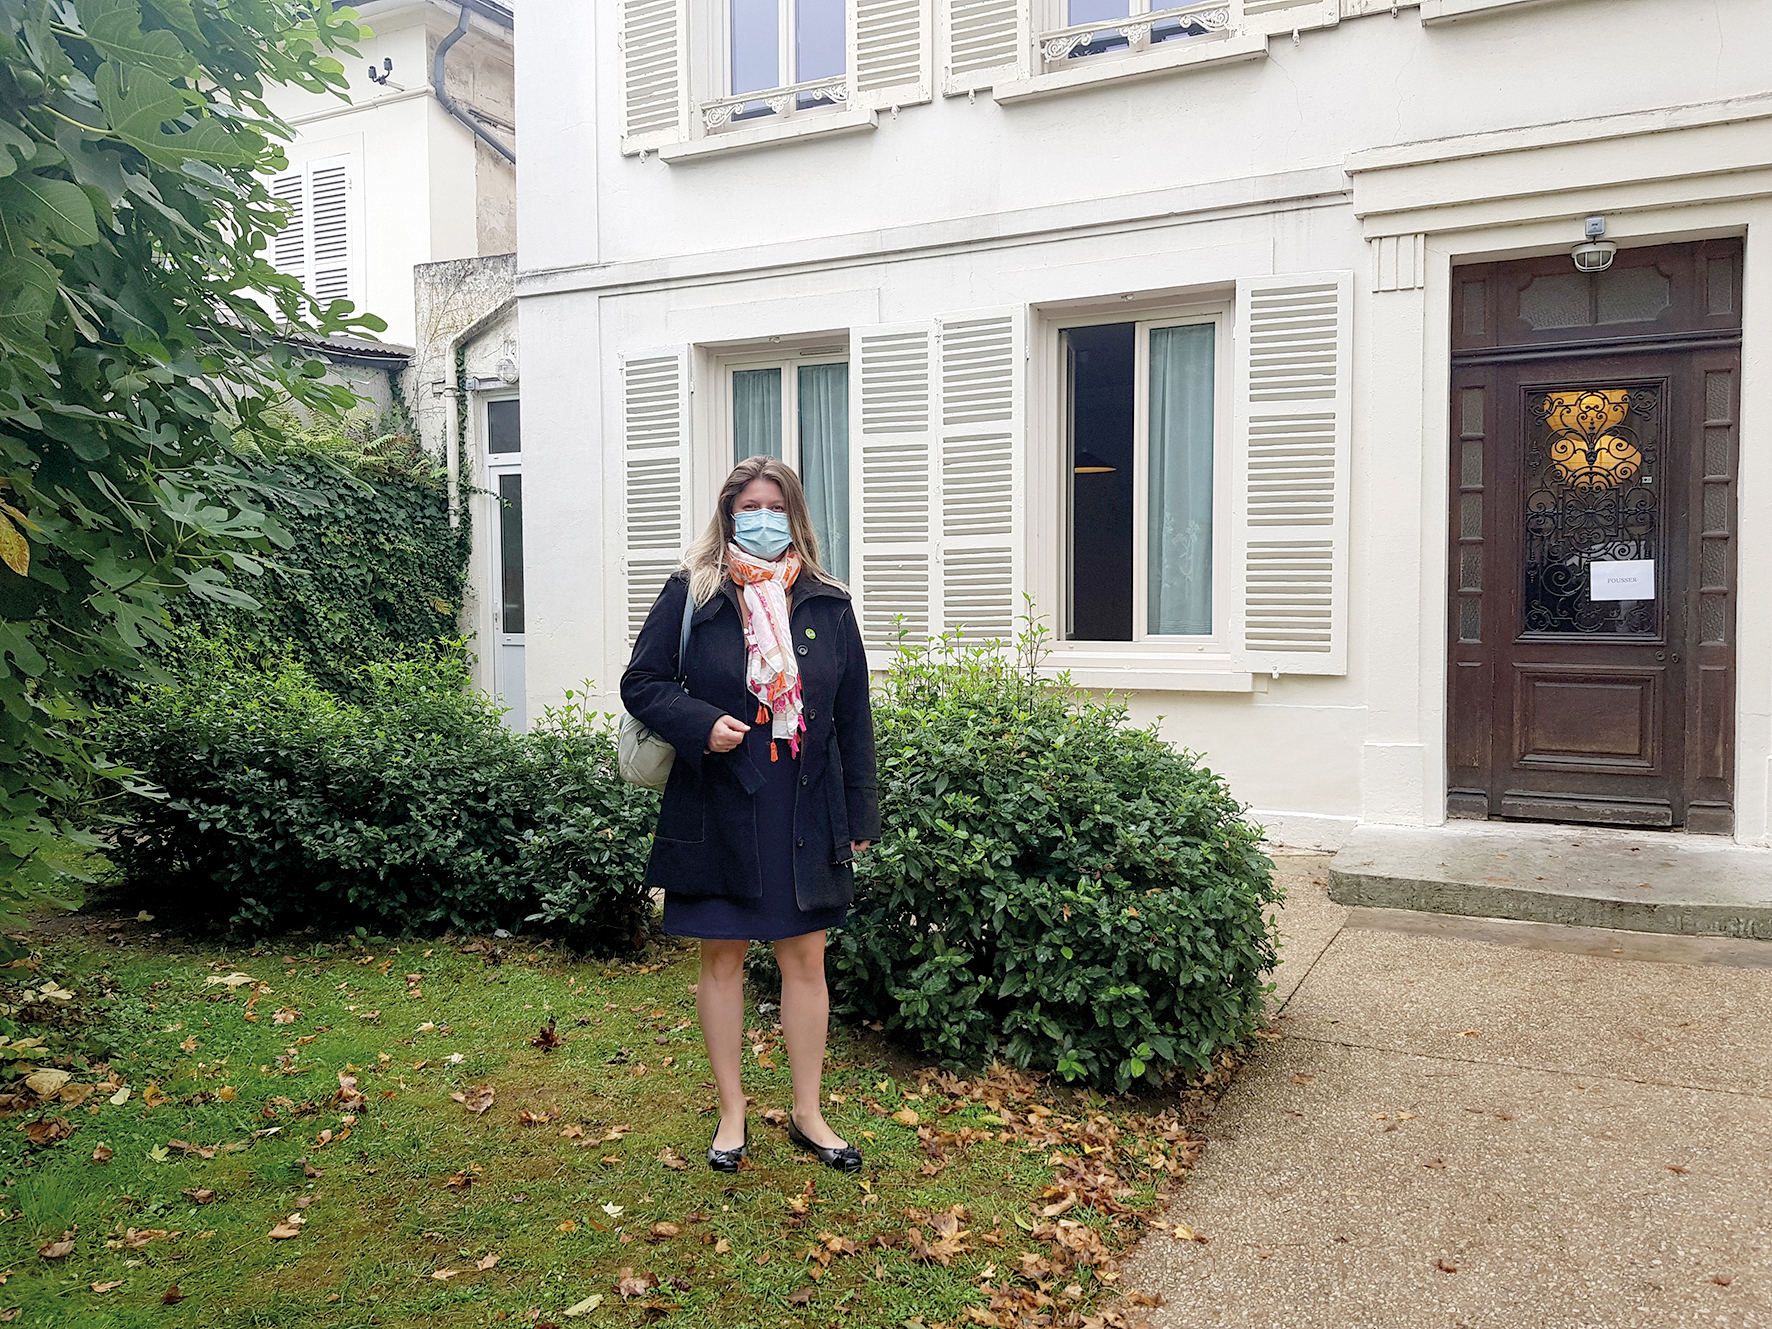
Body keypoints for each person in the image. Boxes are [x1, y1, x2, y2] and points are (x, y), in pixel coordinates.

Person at [621, 455, 880, 1173]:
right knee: (723, 956)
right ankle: (731, 1109)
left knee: (806, 957)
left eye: (774, 506)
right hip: (720, 795)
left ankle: (808, 1111)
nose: (762, 519)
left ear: (794, 515)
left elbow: (853, 717)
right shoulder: (693, 591)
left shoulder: (828, 602)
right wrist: (701, 723)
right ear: (728, 514)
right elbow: (642, 682)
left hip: (804, 800)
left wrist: (860, 813)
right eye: (748, 507)